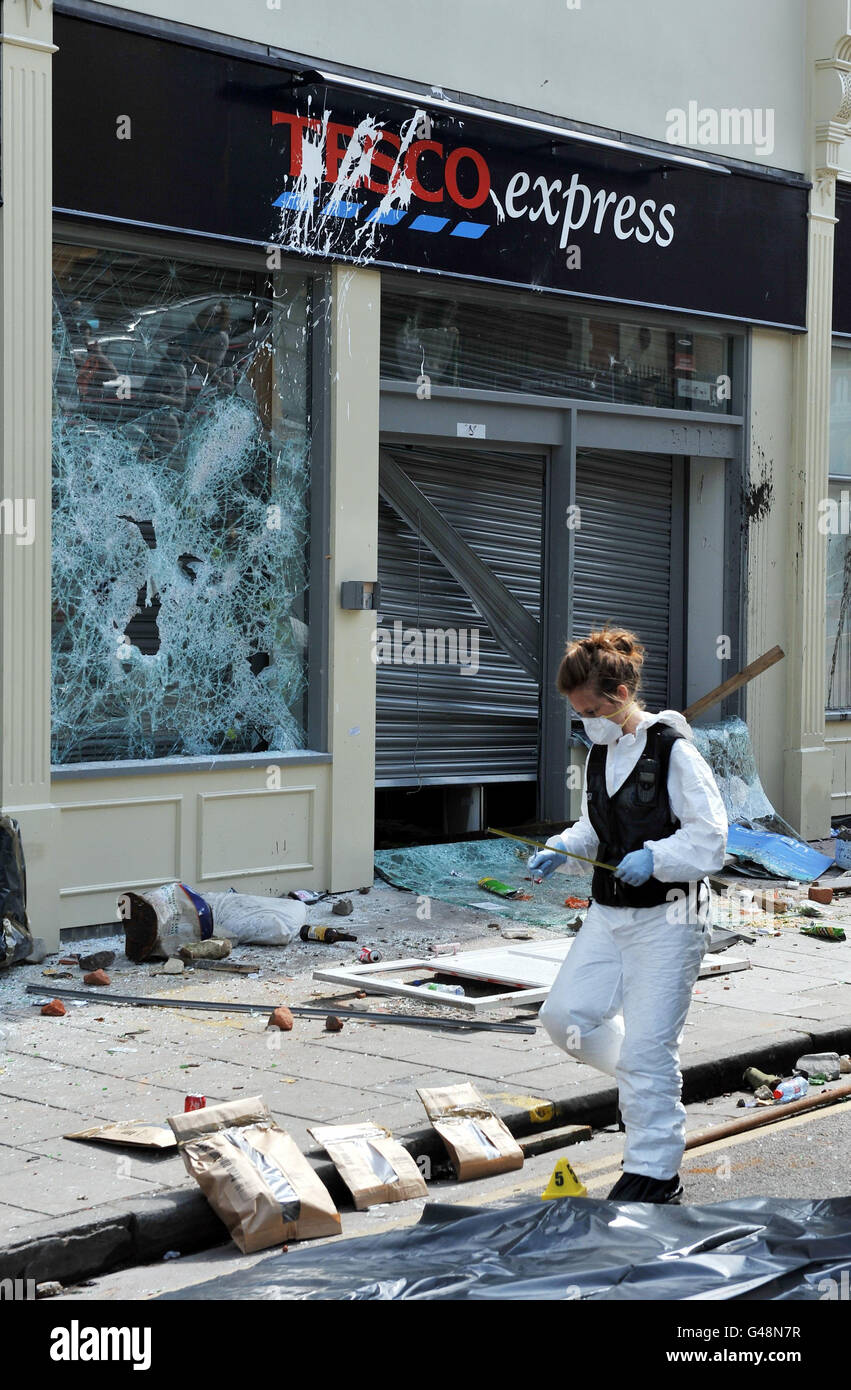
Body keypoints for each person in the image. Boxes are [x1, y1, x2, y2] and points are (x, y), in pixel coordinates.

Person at [532, 626, 727, 1203]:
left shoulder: (675, 752)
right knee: (565, 1015)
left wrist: (657, 857)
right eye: (577, 714)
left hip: (670, 920)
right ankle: (650, 1085)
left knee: (648, 1052)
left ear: (619, 695)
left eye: (590, 709)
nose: (584, 721)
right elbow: (599, 827)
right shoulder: (599, 752)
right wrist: (561, 847)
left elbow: (711, 842)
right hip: (609, 912)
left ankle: (655, 1172)